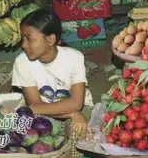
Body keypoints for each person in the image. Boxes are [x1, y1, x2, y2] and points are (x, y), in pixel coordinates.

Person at [11, 8, 93, 139]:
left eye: (29, 39)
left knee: (77, 134)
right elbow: (35, 106)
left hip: (80, 108)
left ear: (50, 40)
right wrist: (71, 114)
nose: (24, 45)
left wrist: (74, 113)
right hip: (46, 112)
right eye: (23, 39)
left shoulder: (74, 57)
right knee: (27, 137)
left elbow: (76, 104)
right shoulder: (22, 62)